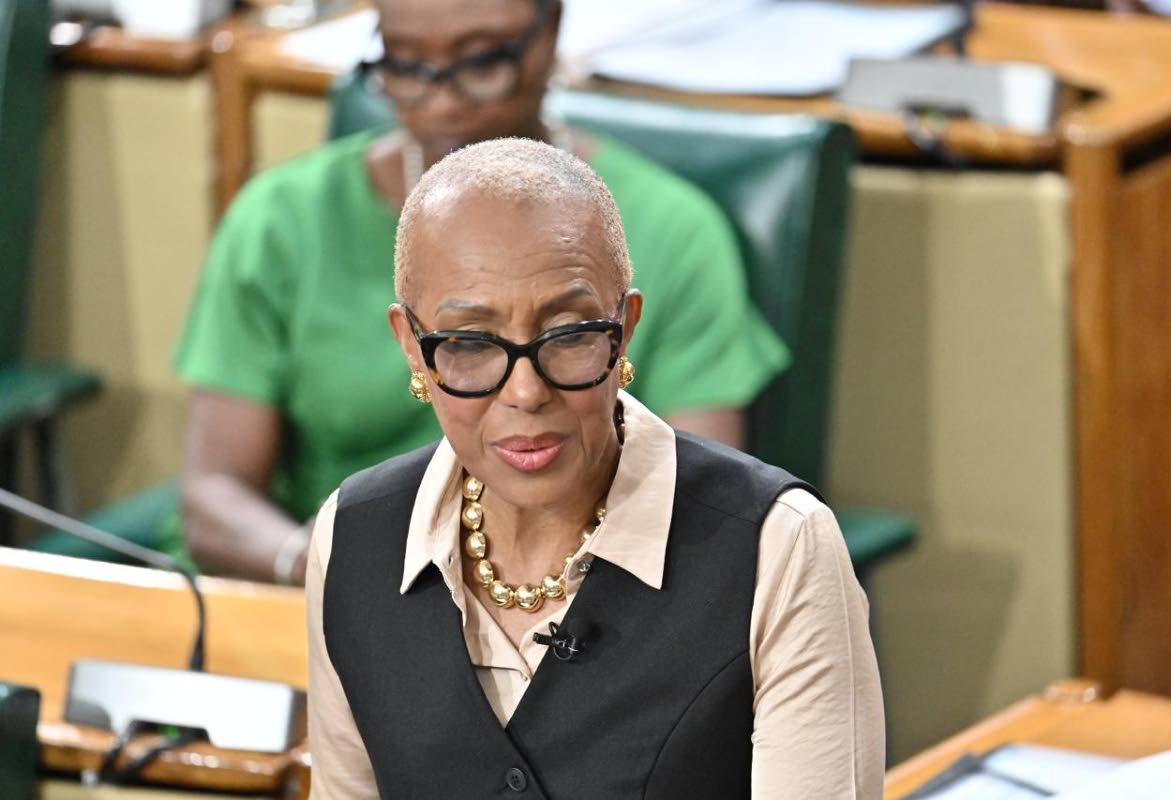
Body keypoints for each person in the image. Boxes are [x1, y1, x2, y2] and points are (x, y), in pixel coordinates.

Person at [306, 138, 883, 798]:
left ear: (625, 326)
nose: (525, 393)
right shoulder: (354, 538)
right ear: (411, 346)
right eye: (469, 344)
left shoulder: (779, 547)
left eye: (570, 337)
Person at [173, 0, 788, 585]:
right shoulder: (282, 220)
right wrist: (322, 568)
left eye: (481, 63)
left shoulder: (674, 231)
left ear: (548, 37)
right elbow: (212, 494)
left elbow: (699, 505)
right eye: (405, 65)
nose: (441, 102)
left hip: (572, 607)